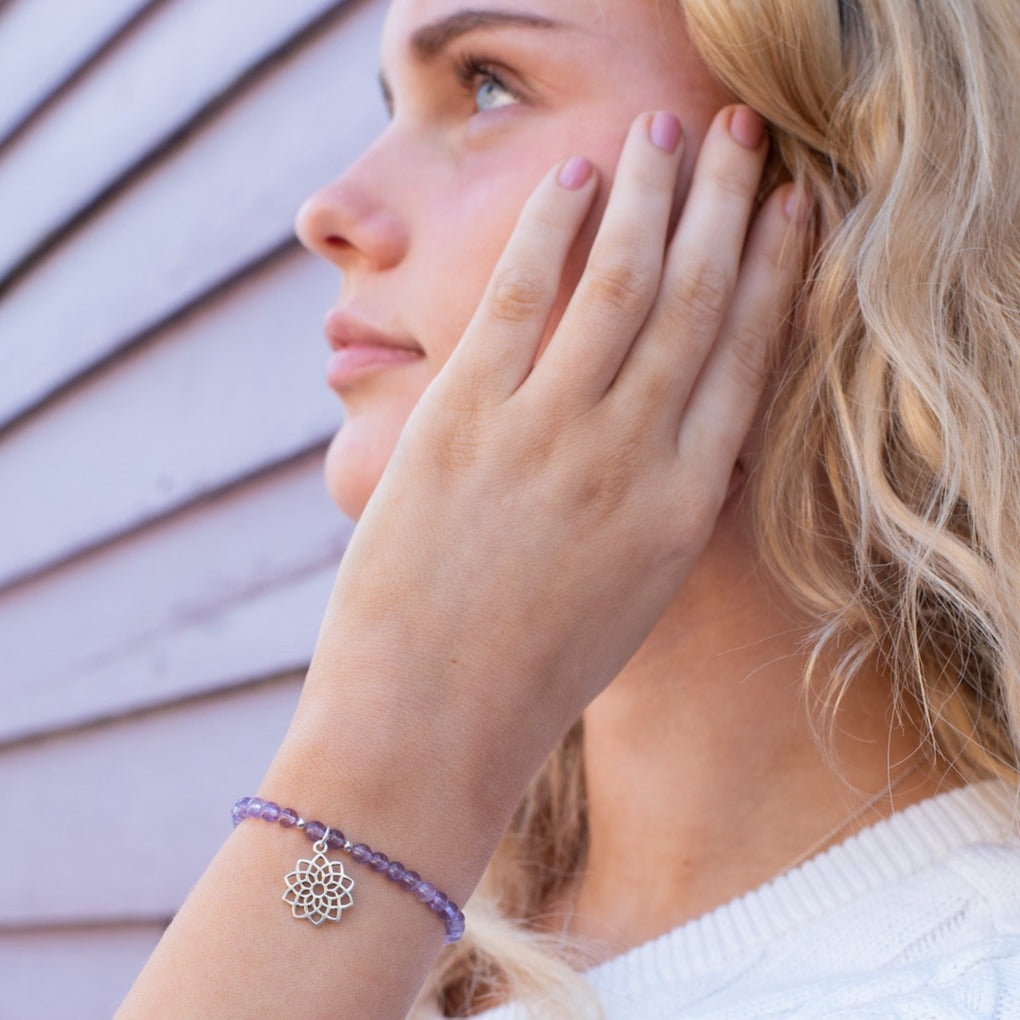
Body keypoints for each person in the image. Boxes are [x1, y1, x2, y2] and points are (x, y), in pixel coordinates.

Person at [119, 0, 1020, 1016]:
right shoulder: (415, 942)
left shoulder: (968, 980)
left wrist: (388, 745)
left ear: (832, 178)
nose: (329, 209)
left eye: (488, 83)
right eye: (390, 106)